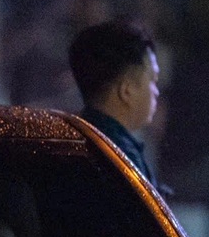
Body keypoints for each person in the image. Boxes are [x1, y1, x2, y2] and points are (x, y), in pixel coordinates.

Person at [68, 21, 161, 182]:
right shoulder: (123, 160)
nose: (156, 92)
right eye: (152, 81)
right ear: (127, 90)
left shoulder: (67, 141)